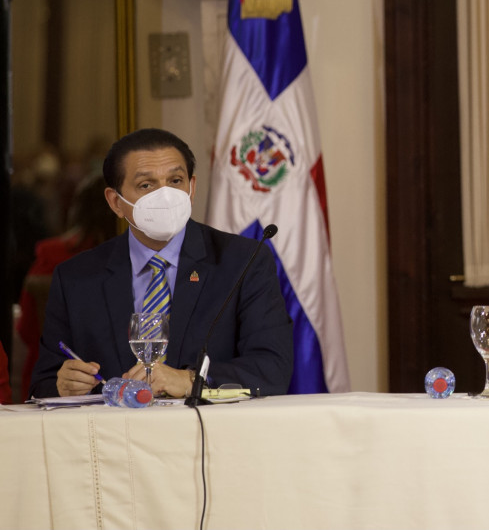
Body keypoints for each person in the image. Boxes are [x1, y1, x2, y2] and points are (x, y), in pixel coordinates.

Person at [30, 129, 294, 399]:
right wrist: (62, 385)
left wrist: (191, 380)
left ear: (191, 188)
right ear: (115, 202)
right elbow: (43, 385)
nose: (165, 196)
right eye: (146, 185)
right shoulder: (76, 278)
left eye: (175, 181)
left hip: (207, 425)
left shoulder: (243, 262)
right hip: (113, 425)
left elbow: (272, 369)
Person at [17, 174, 118, 398]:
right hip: (57, 382)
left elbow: (26, 329)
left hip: (49, 375)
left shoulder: (50, 254)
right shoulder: (125, 263)